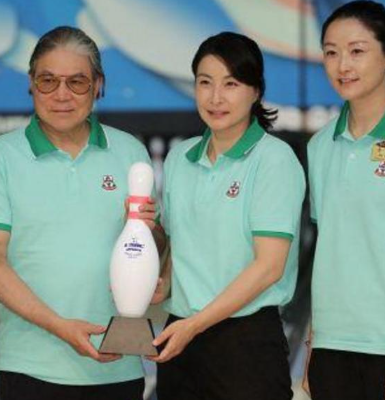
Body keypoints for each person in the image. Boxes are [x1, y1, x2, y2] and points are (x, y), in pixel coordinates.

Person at [0, 26, 162, 400]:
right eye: (48, 81)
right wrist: (60, 326)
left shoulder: (130, 153)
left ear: (98, 85)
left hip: (117, 364)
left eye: (77, 82)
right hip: (31, 367)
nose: (61, 95)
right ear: (31, 84)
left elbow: (152, 246)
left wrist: (156, 262)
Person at [150, 32, 305, 400]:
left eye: (231, 84)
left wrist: (196, 324)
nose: (215, 97)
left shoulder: (273, 160)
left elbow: (269, 267)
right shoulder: (180, 158)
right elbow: (176, 245)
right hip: (180, 337)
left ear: (255, 91)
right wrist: (161, 281)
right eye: (205, 83)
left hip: (245, 342)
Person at [305, 2, 385, 399]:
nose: (342, 65)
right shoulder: (320, 146)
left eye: (357, 51)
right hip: (331, 348)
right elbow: (333, 250)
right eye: (331, 52)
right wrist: (314, 340)